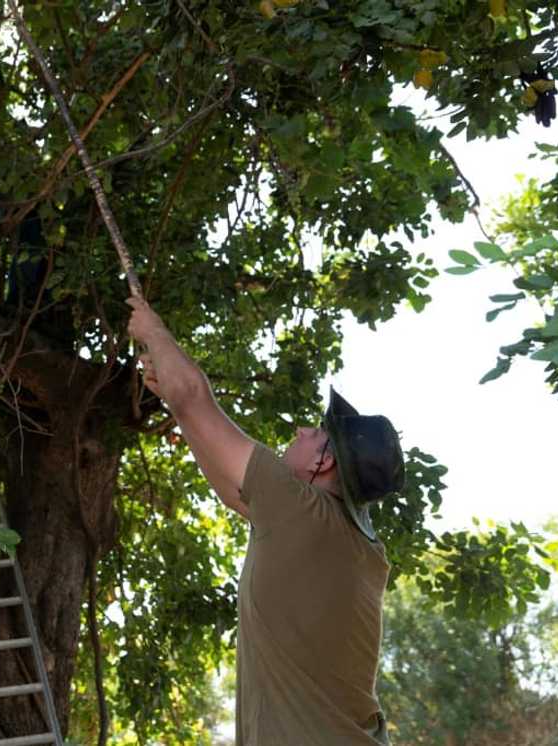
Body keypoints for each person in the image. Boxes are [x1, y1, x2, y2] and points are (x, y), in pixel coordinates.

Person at [126, 296, 405, 746]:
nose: (299, 431)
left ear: (324, 462)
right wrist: (180, 409)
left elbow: (194, 394)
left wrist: (153, 329)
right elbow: (232, 489)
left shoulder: (301, 513)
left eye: (313, 433)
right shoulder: (349, 542)